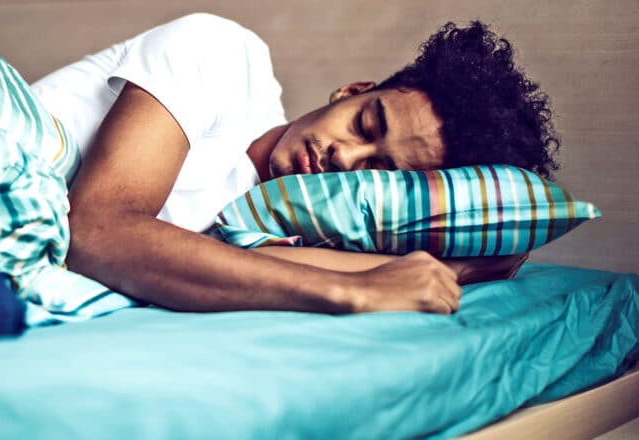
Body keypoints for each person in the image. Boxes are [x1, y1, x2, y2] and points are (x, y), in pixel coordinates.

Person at [31, 13, 558, 316]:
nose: (343, 159)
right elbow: (98, 230)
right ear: (353, 91)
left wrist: (454, 271)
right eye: (365, 125)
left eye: (378, 172)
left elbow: (397, 277)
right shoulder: (226, 56)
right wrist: (352, 291)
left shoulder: (280, 227)